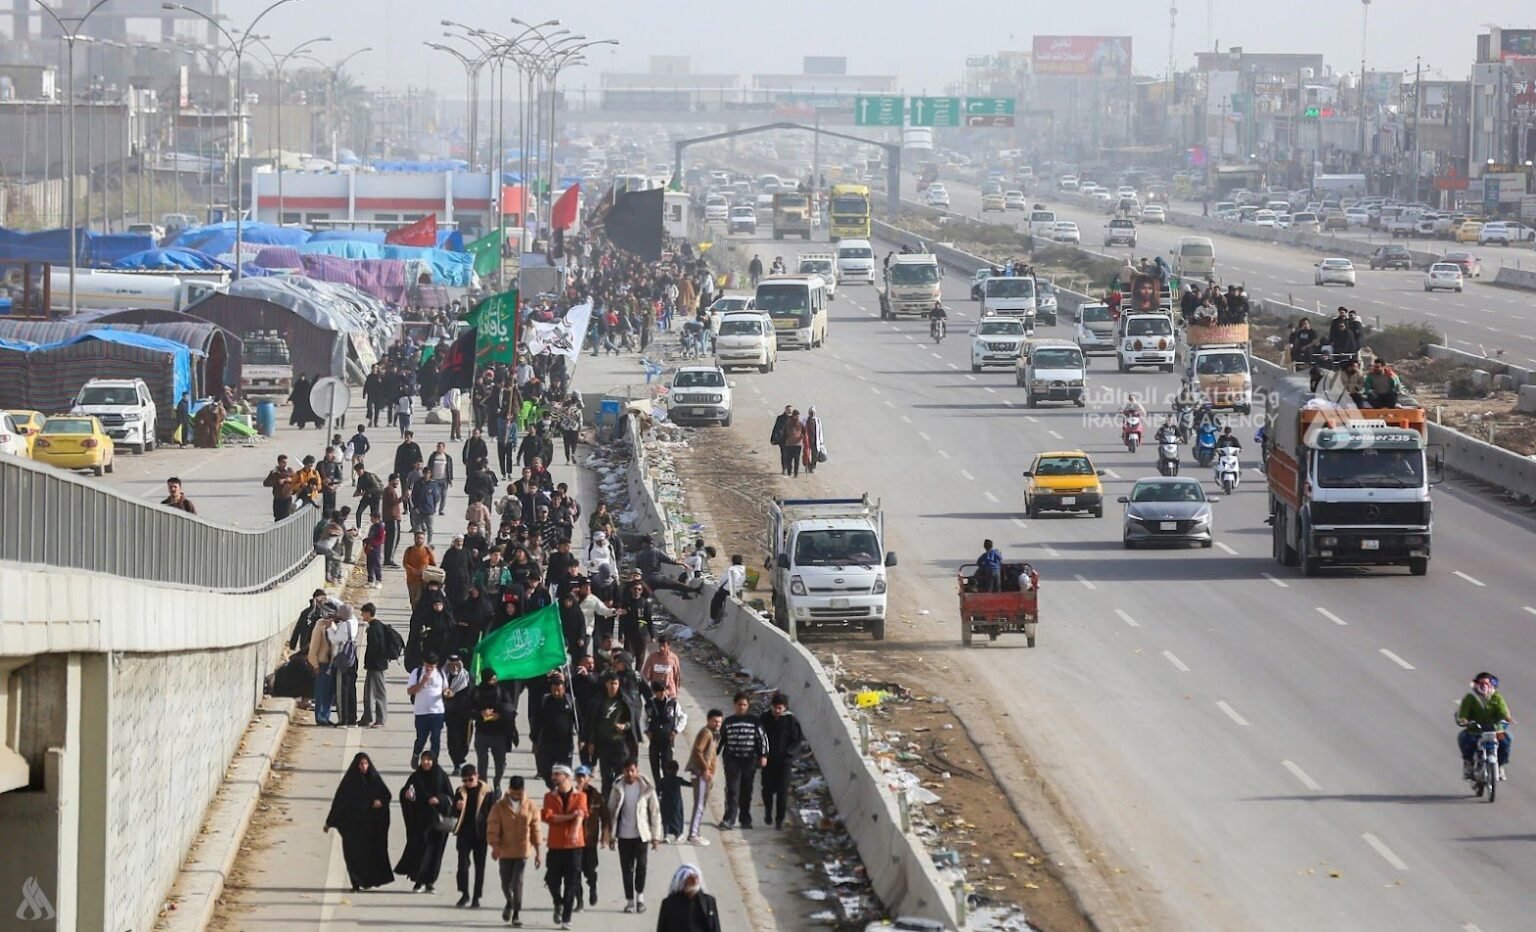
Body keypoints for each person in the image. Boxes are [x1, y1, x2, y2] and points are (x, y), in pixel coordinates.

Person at [325, 752, 395, 892]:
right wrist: (329, 822)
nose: (363, 766)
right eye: (361, 764)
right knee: (353, 855)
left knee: (370, 855)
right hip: (353, 827)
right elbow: (339, 803)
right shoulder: (349, 783)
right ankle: (355, 883)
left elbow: (386, 795)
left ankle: (369, 880)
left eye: (365, 763)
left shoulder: (375, 780)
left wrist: (380, 802)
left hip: (371, 827)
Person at [604, 758, 663, 914]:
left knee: (642, 868)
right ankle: (630, 901)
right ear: (623, 772)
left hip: (641, 835)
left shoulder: (646, 788)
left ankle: (640, 898)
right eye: (627, 771)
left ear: (637, 771)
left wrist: (656, 836)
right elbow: (610, 812)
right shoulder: (618, 788)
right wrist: (610, 835)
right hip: (624, 836)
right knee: (627, 870)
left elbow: (655, 812)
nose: (630, 774)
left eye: (632, 770)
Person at [396, 749, 453, 893]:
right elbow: (406, 792)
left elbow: (450, 797)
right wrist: (406, 795)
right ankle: (418, 881)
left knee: (435, 853)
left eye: (429, 759)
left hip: (437, 822)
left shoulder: (441, 777)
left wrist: (439, 799)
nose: (426, 762)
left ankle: (429, 882)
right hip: (420, 821)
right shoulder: (416, 777)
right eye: (424, 759)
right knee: (421, 850)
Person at [488, 774, 542, 925]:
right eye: (514, 792)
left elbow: (536, 829)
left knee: (517, 881)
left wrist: (538, 853)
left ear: (523, 790)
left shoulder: (531, 806)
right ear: (509, 789)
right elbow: (493, 828)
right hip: (504, 851)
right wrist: (494, 846)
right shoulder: (499, 806)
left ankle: (516, 912)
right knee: (505, 882)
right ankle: (509, 902)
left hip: (522, 850)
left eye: (519, 793)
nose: (516, 795)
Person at [541, 764, 588, 930]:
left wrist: (575, 830)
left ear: (567, 777)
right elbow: (548, 817)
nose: (554, 777)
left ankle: (566, 917)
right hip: (555, 844)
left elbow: (581, 814)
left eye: (557, 774)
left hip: (574, 846)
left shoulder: (580, 796)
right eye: (553, 774)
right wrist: (569, 816)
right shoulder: (549, 796)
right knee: (551, 879)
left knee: (571, 882)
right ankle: (557, 902)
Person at [718, 691, 768, 830]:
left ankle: (745, 819)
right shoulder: (728, 722)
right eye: (739, 704)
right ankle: (729, 819)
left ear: (748, 706)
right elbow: (720, 741)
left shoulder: (754, 722)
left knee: (746, 790)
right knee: (732, 790)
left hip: (749, 760)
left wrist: (764, 756)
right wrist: (711, 755)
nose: (742, 707)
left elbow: (762, 739)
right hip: (732, 759)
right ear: (735, 705)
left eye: (744, 705)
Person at [1457, 672, 1514, 781]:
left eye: (1487, 683)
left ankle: (1500, 766)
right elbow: (1463, 714)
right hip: (1475, 730)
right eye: (1481, 683)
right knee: (1465, 739)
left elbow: (1503, 711)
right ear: (1476, 684)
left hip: (1496, 730)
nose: (1484, 686)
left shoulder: (1496, 697)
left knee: (1506, 740)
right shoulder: (1470, 697)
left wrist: (1507, 718)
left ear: (1491, 685)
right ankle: (1468, 764)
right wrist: (1464, 720)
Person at [453, 763, 495, 908]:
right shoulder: (460, 791)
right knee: (462, 865)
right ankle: (464, 894)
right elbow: (453, 813)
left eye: (470, 779)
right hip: (464, 833)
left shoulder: (488, 792)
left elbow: (493, 813)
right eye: (464, 780)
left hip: (481, 835)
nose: (468, 783)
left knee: (480, 867)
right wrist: (457, 808)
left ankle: (476, 897)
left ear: (476, 776)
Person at [759, 693, 803, 831]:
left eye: (780, 708)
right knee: (767, 789)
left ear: (785, 708)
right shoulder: (764, 718)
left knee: (782, 792)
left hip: (784, 762)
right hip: (769, 761)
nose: (777, 711)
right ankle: (768, 812)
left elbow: (797, 741)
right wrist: (761, 754)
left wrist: (789, 754)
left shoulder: (790, 720)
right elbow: (759, 737)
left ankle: (779, 820)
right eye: (775, 708)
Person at [472, 668, 519, 790]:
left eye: (495, 678)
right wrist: (481, 713)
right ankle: (484, 787)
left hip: (499, 734)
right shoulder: (476, 692)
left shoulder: (501, 691)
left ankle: (497, 782)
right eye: (491, 679)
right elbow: (468, 710)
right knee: (482, 763)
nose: (494, 681)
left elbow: (510, 709)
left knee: (500, 763)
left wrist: (499, 715)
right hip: (482, 733)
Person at [575, 765, 610, 912]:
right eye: (579, 776)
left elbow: (605, 817)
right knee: (575, 873)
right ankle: (579, 902)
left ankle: (593, 887)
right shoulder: (571, 795)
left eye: (584, 776)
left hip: (590, 841)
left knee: (590, 870)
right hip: (574, 842)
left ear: (589, 778)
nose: (581, 779)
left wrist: (605, 834)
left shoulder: (597, 796)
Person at [684, 708, 722, 845]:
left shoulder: (714, 734)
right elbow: (697, 751)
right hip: (700, 773)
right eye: (715, 721)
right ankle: (693, 834)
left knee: (702, 804)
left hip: (706, 774)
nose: (717, 724)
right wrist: (705, 769)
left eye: (719, 721)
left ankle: (696, 833)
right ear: (708, 720)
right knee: (699, 805)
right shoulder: (706, 733)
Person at [407, 652, 448, 766]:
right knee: (421, 738)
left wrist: (447, 693)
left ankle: (433, 762)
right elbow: (410, 691)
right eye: (427, 665)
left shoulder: (441, 673)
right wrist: (422, 682)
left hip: (437, 712)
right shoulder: (417, 672)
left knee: (436, 739)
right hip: (422, 712)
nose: (429, 668)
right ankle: (416, 754)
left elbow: (445, 689)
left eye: (432, 666)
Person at [655, 864, 723, 932]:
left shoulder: (708, 901)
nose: (694, 881)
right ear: (682, 882)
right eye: (691, 878)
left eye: (696, 877)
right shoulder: (669, 904)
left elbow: (715, 926)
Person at [358, 603, 395, 728]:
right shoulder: (376, 625)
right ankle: (367, 717)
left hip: (377, 666)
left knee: (379, 693)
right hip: (373, 665)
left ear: (368, 613)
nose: (361, 615)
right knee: (368, 692)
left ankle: (380, 719)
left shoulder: (375, 628)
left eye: (363, 612)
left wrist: (372, 662)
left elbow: (376, 648)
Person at [645, 679, 686, 787]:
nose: (662, 693)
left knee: (667, 765)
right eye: (659, 691)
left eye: (664, 690)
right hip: (654, 739)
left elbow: (683, 717)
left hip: (668, 740)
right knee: (654, 765)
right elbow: (642, 719)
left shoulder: (673, 704)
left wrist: (676, 730)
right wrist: (646, 731)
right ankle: (658, 787)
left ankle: (667, 786)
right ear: (655, 692)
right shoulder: (649, 704)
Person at [442, 654, 475, 774]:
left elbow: (474, 695)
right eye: (451, 665)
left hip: (466, 716)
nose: (454, 668)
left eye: (457, 665)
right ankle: (457, 764)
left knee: (465, 741)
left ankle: (461, 759)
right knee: (453, 741)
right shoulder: (443, 677)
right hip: (451, 716)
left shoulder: (467, 678)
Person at [710, 555, 747, 629]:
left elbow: (723, 580)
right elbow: (750, 584)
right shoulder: (746, 570)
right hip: (738, 591)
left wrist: (718, 587)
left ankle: (713, 619)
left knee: (715, 601)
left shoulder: (730, 569)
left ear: (732, 561)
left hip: (727, 590)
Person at [657, 759, 688, 843]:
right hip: (676, 803)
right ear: (677, 770)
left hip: (665, 803)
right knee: (677, 818)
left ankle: (666, 835)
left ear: (666, 769)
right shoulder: (678, 780)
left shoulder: (662, 780)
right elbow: (688, 784)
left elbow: (657, 790)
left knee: (666, 820)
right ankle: (677, 835)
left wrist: (657, 799)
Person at [402, 531, 437, 606]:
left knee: (424, 601)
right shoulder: (409, 550)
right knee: (414, 601)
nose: (419, 540)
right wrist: (413, 570)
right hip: (412, 580)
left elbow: (433, 564)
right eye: (418, 538)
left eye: (422, 538)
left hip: (425, 580)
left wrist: (425, 570)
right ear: (414, 538)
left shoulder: (427, 550)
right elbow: (405, 563)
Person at [264, 454, 296, 521]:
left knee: (286, 517)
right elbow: (265, 483)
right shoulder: (274, 472)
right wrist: (277, 482)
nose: (285, 464)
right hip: (278, 499)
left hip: (287, 498)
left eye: (286, 462)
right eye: (283, 462)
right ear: (279, 463)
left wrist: (290, 480)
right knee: (278, 517)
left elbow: (297, 480)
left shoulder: (290, 471)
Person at [802, 407, 826, 473]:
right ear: (808, 413)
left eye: (813, 412)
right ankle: (808, 465)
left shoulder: (818, 420)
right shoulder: (805, 420)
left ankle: (813, 467)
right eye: (811, 412)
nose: (812, 414)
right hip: (807, 441)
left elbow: (820, 431)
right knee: (806, 454)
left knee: (815, 455)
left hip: (815, 441)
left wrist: (821, 441)